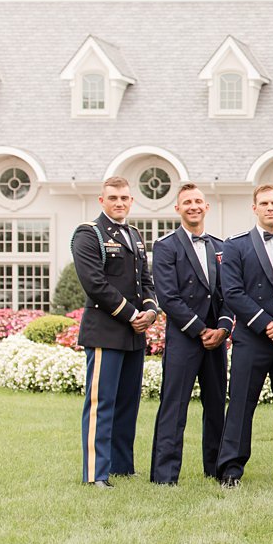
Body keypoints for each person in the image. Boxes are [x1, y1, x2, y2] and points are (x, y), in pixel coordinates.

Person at [214, 184, 273, 488]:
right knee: (241, 404)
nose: (270, 208)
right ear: (254, 208)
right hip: (253, 339)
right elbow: (232, 292)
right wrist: (268, 324)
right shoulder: (235, 246)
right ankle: (230, 469)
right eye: (264, 203)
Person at [70, 176, 158, 487]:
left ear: (131, 201)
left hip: (134, 335)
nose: (119, 202)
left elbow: (145, 281)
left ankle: (122, 466)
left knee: (127, 403)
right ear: (101, 201)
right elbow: (94, 284)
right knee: (101, 404)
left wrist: (150, 310)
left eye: (124, 197)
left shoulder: (134, 235)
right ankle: (96, 474)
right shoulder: (88, 234)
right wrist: (132, 314)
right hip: (105, 332)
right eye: (113, 198)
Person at [149, 182, 228, 484]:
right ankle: (165, 474)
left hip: (216, 341)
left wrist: (222, 328)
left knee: (216, 405)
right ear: (177, 209)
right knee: (174, 405)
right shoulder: (166, 246)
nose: (193, 206)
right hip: (184, 338)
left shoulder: (221, 246)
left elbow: (228, 293)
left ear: (206, 207)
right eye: (187, 202)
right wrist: (200, 330)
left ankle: (217, 468)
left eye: (198, 201)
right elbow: (168, 297)